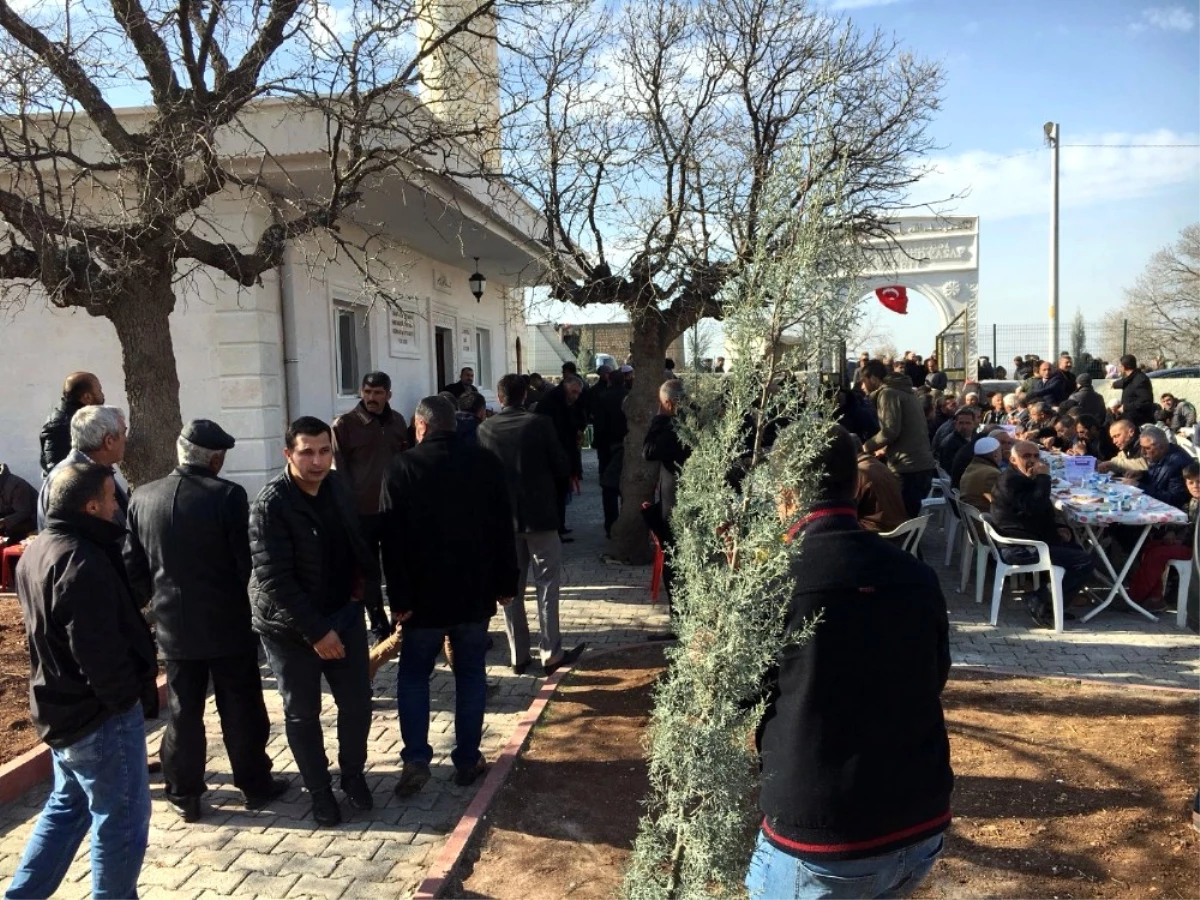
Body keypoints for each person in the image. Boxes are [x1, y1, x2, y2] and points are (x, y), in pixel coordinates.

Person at [748, 425, 951, 900]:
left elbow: (739, 696)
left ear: (786, 492)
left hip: (825, 836)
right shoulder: (916, 574)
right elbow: (934, 674)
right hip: (919, 819)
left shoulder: (775, 582)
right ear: (856, 486)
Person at [123, 421, 286, 823]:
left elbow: (134, 568)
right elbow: (242, 562)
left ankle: (184, 792)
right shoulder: (227, 496)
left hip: (173, 626)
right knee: (241, 704)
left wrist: (149, 608)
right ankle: (253, 783)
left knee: (183, 709)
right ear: (215, 459)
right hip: (227, 623)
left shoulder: (142, 497)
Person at [8, 463, 157, 899]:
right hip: (97, 718)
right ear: (91, 506)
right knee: (122, 825)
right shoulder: (80, 560)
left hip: (62, 710)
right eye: (112, 499)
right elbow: (96, 651)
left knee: (65, 808)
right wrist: (126, 699)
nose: (117, 506)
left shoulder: (41, 549)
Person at [384, 396, 520, 798]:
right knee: (471, 676)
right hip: (472, 595)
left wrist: (399, 599)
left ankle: (416, 759)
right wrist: (506, 584)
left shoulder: (401, 467)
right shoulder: (485, 463)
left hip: (422, 599)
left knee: (413, 677)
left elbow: (391, 542)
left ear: (420, 426)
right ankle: (466, 759)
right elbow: (502, 529)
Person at [250, 417, 379, 826]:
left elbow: (357, 542)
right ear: (288, 454)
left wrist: (366, 596)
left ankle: (353, 775)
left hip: (343, 613)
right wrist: (316, 632)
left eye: (324, 451)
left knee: (357, 702)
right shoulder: (271, 504)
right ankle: (320, 791)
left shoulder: (338, 485)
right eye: (307, 452)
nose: (317, 461)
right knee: (303, 713)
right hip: (289, 628)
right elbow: (275, 579)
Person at [478, 375, 581, 676]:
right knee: (547, 585)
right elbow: (560, 465)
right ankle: (550, 652)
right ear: (524, 396)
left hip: (504, 521)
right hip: (541, 517)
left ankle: (518, 655)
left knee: (512, 589)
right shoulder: (540, 424)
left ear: (499, 399)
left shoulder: (484, 428)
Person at [332, 371, 409, 642]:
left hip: (393, 511)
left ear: (388, 394)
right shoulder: (344, 425)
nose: (371, 398)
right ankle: (379, 625)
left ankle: (403, 618)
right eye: (367, 392)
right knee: (368, 573)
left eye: (377, 393)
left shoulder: (398, 421)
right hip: (361, 513)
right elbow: (338, 472)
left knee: (399, 566)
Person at [990, 440, 1095, 626]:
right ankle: (1040, 599)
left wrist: (1057, 528)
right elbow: (1036, 506)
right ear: (1013, 460)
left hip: (1029, 537)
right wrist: (1044, 478)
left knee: (1077, 547)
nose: (1032, 460)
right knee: (1083, 561)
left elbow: (1037, 513)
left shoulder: (1023, 478)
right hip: (1020, 547)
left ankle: (1053, 605)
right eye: (1026, 456)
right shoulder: (1012, 481)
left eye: (1036, 456)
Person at [861, 359, 937, 518]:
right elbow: (905, 430)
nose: (862, 386)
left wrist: (865, 448)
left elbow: (890, 431)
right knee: (910, 519)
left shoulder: (888, 393)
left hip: (907, 467)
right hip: (920, 465)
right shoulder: (906, 391)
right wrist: (886, 448)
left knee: (901, 518)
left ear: (873, 379)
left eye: (864, 381)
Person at [37, 405, 128, 530]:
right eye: (124, 433)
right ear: (109, 441)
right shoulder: (71, 480)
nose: (126, 439)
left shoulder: (96, 470)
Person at [1125, 462, 1200, 611]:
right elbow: (1184, 520)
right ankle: (1155, 597)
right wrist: (1171, 531)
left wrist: (1180, 540)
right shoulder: (1191, 501)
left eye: (1199, 482)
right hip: (1184, 543)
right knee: (1150, 546)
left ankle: (1134, 597)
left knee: (1158, 554)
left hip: (1195, 550)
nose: (1195, 486)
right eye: (1190, 482)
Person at [536, 376, 586, 537]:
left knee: (563, 491)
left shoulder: (569, 402)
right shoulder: (551, 402)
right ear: (566, 388)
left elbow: (579, 417)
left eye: (578, 393)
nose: (575, 396)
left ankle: (560, 526)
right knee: (555, 492)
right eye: (573, 392)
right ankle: (555, 527)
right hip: (552, 454)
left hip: (565, 452)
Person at [38, 372, 105, 475]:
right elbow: (57, 472)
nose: (102, 395)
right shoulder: (61, 426)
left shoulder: (82, 419)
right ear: (87, 397)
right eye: (99, 390)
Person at [643, 380, 690, 522]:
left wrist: (658, 419)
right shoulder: (700, 417)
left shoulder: (673, 427)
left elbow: (648, 452)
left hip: (676, 486)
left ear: (668, 404)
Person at [853, 436, 907, 533]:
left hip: (879, 532)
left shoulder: (860, 471)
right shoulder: (878, 465)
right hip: (899, 528)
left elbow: (850, 506)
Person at [1129, 428, 1191, 509]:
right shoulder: (1159, 455)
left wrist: (1139, 486)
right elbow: (1157, 479)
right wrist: (1142, 475)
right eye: (1141, 447)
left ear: (1162, 447)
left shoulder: (1177, 463)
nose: (1142, 452)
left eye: (1147, 448)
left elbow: (1175, 500)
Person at [959, 436, 1003, 513]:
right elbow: (999, 503)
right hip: (984, 520)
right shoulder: (992, 474)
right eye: (1000, 451)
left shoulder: (973, 467)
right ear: (995, 454)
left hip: (972, 517)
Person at [1113, 355, 1155, 426]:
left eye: (1120, 366)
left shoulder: (1140, 380)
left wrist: (1125, 407)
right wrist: (1114, 384)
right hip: (1130, 420)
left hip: (1139, 422)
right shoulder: (1132, 377)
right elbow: (1124, 382)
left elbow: (1146, 401)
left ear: (1123, 367)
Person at [0, 463, 37, 543]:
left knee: (10, 532)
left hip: (30, 519)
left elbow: (24, 512)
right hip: (9, 516)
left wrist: (3, 522)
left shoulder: (16, 485)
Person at [937, 409, 977, 474]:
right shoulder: (949, 443)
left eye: (968, 423)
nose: (964, 426)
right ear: (955, 424)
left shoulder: (975, 438)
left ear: (974, 424)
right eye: (961, 423)